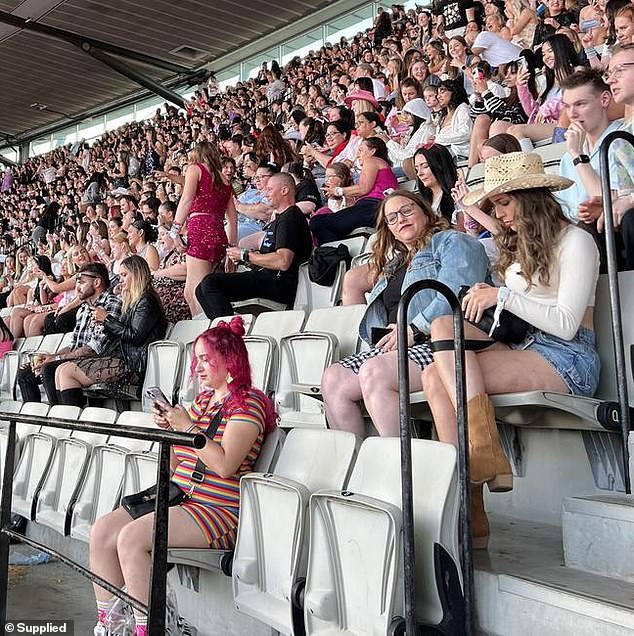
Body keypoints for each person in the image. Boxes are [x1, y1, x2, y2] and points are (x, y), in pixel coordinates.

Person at [423, 151, 599, 549]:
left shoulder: (577, 241)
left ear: (530, 198)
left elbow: (566, 324)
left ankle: (472, 499)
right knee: (438, 358)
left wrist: (501, 294)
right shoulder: (521, 247)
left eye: (503, 202)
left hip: (569, 357)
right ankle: (480, 464)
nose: (498, 213)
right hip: (528, 346)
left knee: (440, 371)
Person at [89, 317, 277, 636]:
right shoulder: (203, 400)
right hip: (181, 495)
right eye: (196, 360)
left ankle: (147, 629)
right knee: (102, 530)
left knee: (131, 539)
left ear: (229, 359)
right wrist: (170, 431)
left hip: (217, 511)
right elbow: (177, 466)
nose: (198, 368)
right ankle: (111, 625)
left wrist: (187, 427)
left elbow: (225, 465)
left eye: (205, 359)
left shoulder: (251, 402)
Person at [321, 190, 489, 438]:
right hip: (399, 346)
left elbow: (455, 292)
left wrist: (413, 329)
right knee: (333, 378)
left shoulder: (452, 241)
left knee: (374, 372)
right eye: (391, 218)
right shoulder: (396, 263)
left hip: (440, 343)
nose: (400, 219)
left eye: (406, 210)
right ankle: (356, 465)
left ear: (425, 211)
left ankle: (400, 467)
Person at [196, 173, 313, 320]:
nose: (266, 193)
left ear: (284, 191)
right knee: (201, 289)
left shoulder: (290, 218)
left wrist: (245, 255)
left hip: (281, 284)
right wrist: (246, 258)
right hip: (267, 278)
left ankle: (232, 337)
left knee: (210, 284)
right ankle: (224, 332)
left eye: (270, 189)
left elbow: (283, 262)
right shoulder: (282, 218)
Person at [53, 255, 167, 406]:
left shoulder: (147, 300)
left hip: (133, 365)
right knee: (60, 369)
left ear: (137, 274)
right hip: (124, 358)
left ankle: (72, 424)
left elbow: (135, 337)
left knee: (67, 372)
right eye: (120, 276)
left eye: (124, 275)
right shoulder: (134, 299)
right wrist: (103, 321)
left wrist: (106, 319)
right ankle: (69, 421)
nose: (121, 280)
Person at [16, 263, 122, 405]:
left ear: (97, 282)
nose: (77, 287)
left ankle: (60, 420)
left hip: (99, 359)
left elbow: (95, 348)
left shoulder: (111, 303)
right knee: (25, 373)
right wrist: (51, 357)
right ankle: (35, 424)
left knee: (49, 368)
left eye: (81, 282)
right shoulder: (84, 308)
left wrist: (55, 359)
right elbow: (74, 345)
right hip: (79, 357)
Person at [170, 141, 237, 317]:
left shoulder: (195, 169)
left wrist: (174, 231)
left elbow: (186, 201)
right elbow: (232, 218)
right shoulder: (225, 181)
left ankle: (207, 335)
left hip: (200, 233)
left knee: (197, 293)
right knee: (189, 293)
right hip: (218, 236)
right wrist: (232, 248)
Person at [310, 138, 398, 245]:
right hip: (371, 208)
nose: (357, 154)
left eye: (360, 150)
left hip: (373, 207)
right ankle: (337, 253)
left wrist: (337, 190)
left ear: (372, 151)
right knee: (318, 221)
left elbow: (363, 188)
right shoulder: (378, 163)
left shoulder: (372, 160)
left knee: (317, 223)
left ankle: (338, 255)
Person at [152, 223, 189, 324]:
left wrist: (158, 273)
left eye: (162, 234)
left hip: (179, 303)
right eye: (159, 235)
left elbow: (185, 270)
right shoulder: (167, 256)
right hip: (164, 307)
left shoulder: (183, 250)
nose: (159, 238)